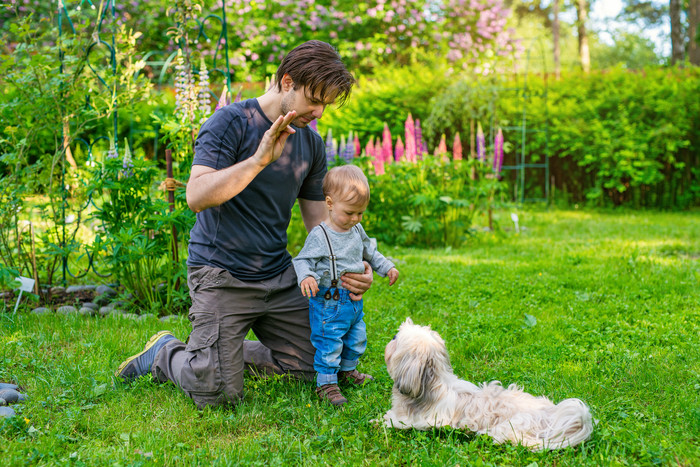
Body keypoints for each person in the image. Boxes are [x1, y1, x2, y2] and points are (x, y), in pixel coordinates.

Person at [115, 40, 374, 410]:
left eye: (325, 105)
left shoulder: (312, 145)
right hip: (221, 274)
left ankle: (220, 354)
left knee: (312, 366)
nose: (317, 112)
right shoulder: (231, 123)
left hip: (278, 275)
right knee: (217, 393)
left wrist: (352, 264)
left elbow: (323, 226)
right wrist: (258, 161)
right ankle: (164, 352)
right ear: (287, 83)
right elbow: (196, 195)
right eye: (313, 100)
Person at [293, 165, 399, 406]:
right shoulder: (320, 235)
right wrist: (307, 277)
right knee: (329, 342)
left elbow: (370, 252)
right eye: (350, 212)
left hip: (352, 302)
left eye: (360, 213)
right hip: (328, 302)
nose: (355, 219)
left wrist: (387, 267)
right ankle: (327, 383)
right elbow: (302, 260)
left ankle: (347, 371)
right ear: (330, 203)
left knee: (356, 338)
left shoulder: (356, 230)